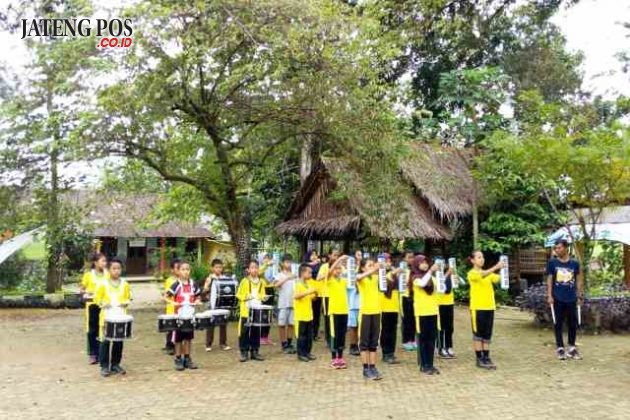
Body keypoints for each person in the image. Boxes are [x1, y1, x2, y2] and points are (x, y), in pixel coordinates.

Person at [467, 250, 505, 370]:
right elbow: (482, 275)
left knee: (487, 334)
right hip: (477, 308)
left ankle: (486, 357)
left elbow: (498, 279)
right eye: (478, 257)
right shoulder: (472, 273)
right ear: (472, 260)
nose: (482, 259)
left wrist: (504, 268)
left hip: (489, 307)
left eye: (482, 257)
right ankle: (479, 358)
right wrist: (496, 267)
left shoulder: (488, 274)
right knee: (478, 334)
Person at [547, 239, 583, 360]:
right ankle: (560, 348)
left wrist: (579, 295)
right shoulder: (552, 263)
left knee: (573, 323)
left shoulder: (574, 263)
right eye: (555, 248)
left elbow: (578, 279)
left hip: (571, 298)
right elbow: (550, 280)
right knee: (558, 323)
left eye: (559, 248)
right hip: (558, 298)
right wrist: (550, 296)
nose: (557, 250)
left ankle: (572, 348)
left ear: (566, 248)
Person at [95, 258, 131, 377]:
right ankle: (104, 366)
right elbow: (96, 298)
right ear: (109, 270)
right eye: (114, 268)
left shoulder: (125, 284)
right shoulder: (103, 284)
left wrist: (126, 302)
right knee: (105, 341)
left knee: (118, 341)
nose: (116, 271)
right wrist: (103, 303)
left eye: (118, 268)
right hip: (106, 316)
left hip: (120, 316)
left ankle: (115, 364)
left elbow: (128, 297)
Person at [166, 261, 201, 371]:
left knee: (188, 338)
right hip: (179, 316)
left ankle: (187, 358)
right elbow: (166, 296)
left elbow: (198, 296)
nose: (185, 272)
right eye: (183, 269)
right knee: (178, 339)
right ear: (178, 271)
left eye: (187, 269)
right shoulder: (176, 285)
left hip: (190, 316)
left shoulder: (193, 284)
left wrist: (197, 301)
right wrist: (173, 303)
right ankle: (178, 359)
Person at [410, 255, 440, 375]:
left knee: (431, 339)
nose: (425, 265)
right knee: (423, 339)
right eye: (422, 263)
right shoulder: (415, 277)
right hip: (421, 313)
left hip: (432, 311)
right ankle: (423, 365)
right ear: (417, 264)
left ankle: (430, 364)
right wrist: (431, 271)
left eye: (426, 262)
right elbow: (422, 284)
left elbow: (440, 289)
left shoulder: (431, 278)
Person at [356, 256, 383, 380]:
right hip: (365, 313)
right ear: (362, 268)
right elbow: (358, 277)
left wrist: (384, 267)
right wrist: (374, 269)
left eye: (373, 265)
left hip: (376, 312)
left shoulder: (377, 277)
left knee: (374, 342)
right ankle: (365, 368)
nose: (372, 267)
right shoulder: (361, 278)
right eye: (369, 265)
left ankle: (373, 366)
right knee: (364, 342)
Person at [236, 260, 267, 362]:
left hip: (257, 310)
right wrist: (246, 297)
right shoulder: (244, 281)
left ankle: (255, 351)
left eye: (256, 267)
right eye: (252, 267)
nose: (254, 270)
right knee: (244, 331)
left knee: (256, 330)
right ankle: (244, 352)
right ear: (248, 270)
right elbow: (238, 295)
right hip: (246, 310)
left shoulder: (261, 282)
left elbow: (262, 294)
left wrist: (264, 297)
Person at [80, 252, 108, 364]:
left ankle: (102, 353)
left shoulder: (108, 274)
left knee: (104, 328)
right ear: (95, 263)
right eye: (103, 261)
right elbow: (82, 289)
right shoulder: (88, 275)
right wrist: (88, 292)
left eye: (105, 261)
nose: (105, 263)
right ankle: (92, 354)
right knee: (92, 329)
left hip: (105, 305)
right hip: (92, 305)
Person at [202, 258, 231, 352]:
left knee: (223, 323)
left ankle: (223, 343)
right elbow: (204, 290)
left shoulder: (224, 278)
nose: (218, 269)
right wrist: (207, 285)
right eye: (216, 267)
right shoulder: (209, 278)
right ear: (212, 268)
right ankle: (208, 344)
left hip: (222, 303)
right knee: (210, 323)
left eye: (220, 267)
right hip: (212, 303)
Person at [326, 255, 350, 369]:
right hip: (334, 312)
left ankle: (340, 357)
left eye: (339, 268)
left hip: (344, 311)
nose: (338, 270)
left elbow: (352, 274)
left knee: (342, 335)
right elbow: (330, 271)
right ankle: (333, 357)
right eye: (336, 268)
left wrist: (346, 265)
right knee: (334, 335)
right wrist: (339, 260)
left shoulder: (344, 280)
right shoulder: (330, 280)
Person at [294, 264, 318, 362]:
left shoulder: (308, 284)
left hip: (309, 314)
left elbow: (312, 298)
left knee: (309, 336)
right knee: (302, 336)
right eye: (309, 272)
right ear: (303, 273)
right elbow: (296, 296)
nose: (311, 274)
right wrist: (309, 292)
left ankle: (308, 352)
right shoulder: (298, 284)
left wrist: (315, 294)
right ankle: (301, 353)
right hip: (300, 315)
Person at [380, 253, 401, 364]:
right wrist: (393, 272)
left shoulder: (393, 274)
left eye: (389, 261)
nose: (388, 263)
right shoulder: (381, 274)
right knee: (386, 330)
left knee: (393, 331)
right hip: (385, 306)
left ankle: (391, 353)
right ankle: (385, 353)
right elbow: (384, 284)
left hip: (394, 306)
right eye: (386, 261)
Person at [274, 254, 297, 354]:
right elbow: (276, 285)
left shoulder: (294, 274)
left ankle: (289, 342)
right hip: (283, 303)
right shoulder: (279, 275)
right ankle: (283, 344)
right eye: (287, 262)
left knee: (291, 324)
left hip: (293, 303)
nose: (289, 264)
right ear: (282, 263)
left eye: (290, 262)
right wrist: (287, 278)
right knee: (282, 324)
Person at [318, 249, 341, 347]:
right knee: (328, 318)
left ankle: (337, 339)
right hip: (327, 295)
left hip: (338, 296)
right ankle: (329, 340)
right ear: (330, 255)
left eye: (338, 255)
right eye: (334, 255)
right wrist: (329, 272)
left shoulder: (341, 267)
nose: (336, 257)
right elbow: (318, 278)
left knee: (338, 318)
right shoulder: (324, 266)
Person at [437, 261, 457, 359]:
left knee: (450, 327)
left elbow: (459, 282)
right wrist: (447, 273)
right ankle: (441, 348)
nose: (444, 265)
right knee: (442, 327)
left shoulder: (450, 274)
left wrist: (454, 275)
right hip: (440, 304)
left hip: (450, 303)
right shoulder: (437, 275)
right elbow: (439, 284)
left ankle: (449, 346)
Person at [162, 258, 180, 355]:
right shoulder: (170, 281)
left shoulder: (183, 280)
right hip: (171, 307)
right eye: (177, 268)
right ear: (172, 270)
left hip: (179, 308)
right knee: (171, 327)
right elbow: (167, 294)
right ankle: (169, 345)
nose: (179, 270)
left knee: (178, 327)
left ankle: (176, 343)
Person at [400, 251, 416, 352]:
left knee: (413, 319)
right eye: (409, 257)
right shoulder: (402, 269)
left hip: (414, 297)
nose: (411, 259)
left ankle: (413, 339)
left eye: (412, 257)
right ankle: (406, 341)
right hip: (405, 296)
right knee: (406, 319)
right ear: (404, 259)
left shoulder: (415, 269)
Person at [347, 250, 362, 356]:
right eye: (358, 255)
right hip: (352, 304)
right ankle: (353, 345)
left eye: (361, 255)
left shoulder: (363, 271)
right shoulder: (348, 273)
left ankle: (359, 344)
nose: (359, 257)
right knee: (353, 326)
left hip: (362, 303)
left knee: (360, 325)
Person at [260, 254, 275, 345]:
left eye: (269, 258)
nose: (267, 260)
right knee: (263, 314)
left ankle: (266, 336)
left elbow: (274, 278)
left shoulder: (272, 268)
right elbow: (259, 273)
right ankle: (260, 336)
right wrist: (266, 265)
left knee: (269, 314)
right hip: (263, 291)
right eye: (265, 258)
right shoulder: (260, 267)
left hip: (271, 290)